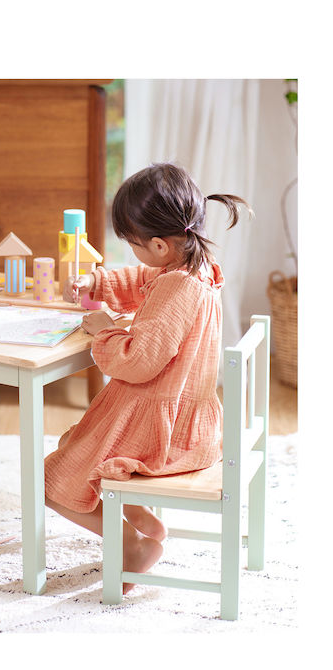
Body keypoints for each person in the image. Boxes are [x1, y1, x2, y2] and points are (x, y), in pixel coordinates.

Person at [44, 162, 253, 594]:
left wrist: (104, 329)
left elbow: (138, 361)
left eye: (134, 244)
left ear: (159, 244)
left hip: (164, 429)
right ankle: (143, 521)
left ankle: (133, 546)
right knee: (79, 447)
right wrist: (97, 280)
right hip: (183, 418)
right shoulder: (193, 265)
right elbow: (144, 279)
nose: (134, 253)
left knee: (54, 478)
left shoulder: (178, 287)